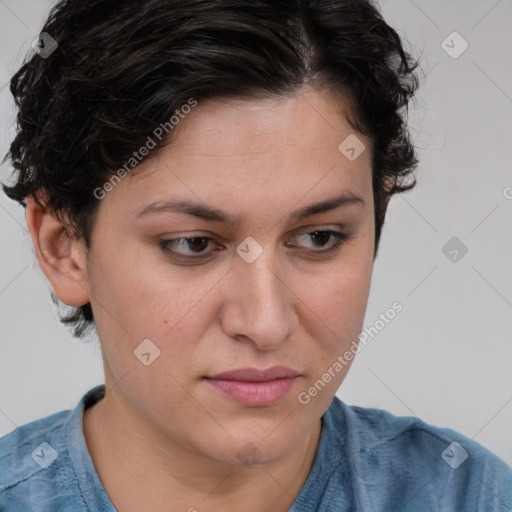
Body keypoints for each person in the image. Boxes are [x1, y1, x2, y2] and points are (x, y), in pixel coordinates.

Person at [0, 0, 510, 510]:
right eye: (193, 244)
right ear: (63, 248)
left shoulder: (470, 495)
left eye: (320, 237)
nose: (266, 324)